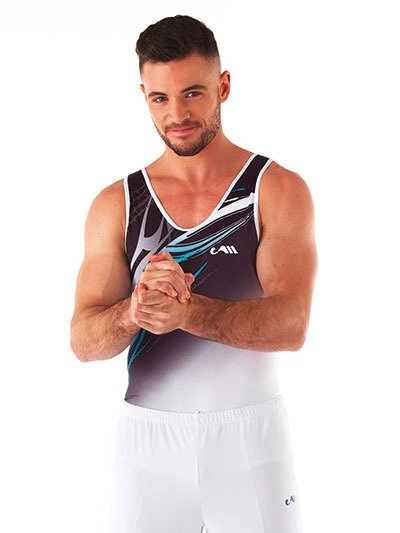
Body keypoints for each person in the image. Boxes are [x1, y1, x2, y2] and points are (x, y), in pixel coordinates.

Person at [70, 14, 317, 533]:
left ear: (223, 86)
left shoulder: (275, 190)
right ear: (144, 96)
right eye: (160, 98)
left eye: (193, 93)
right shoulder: (117, 204)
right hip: (148, 446)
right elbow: (84, 342)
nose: (177, 114)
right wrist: (135, 311)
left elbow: (292, 326)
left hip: (250, 442)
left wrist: (188, 313)